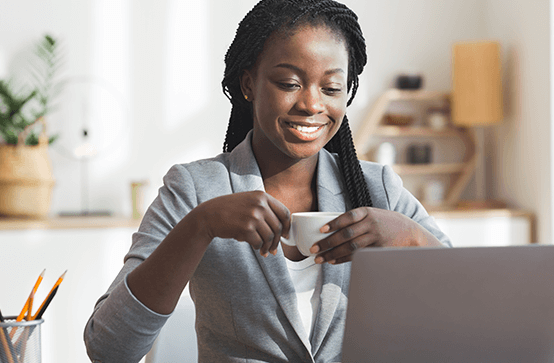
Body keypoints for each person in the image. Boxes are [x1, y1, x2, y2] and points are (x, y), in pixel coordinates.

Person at [84, 0, 451, 362]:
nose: (311, 104)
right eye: (289, 82)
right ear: (249, 84)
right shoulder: (195, 188)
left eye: (332, 88)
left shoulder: (379, 188)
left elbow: (470, 306)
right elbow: (109, 348)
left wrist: (411, 236)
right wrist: (201, 225)